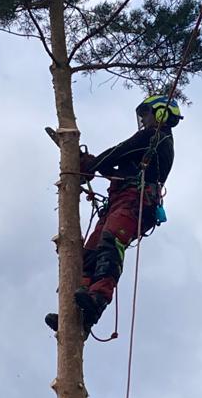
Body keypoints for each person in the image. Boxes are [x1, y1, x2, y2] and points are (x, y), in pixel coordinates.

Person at [45, 94, 182, 337]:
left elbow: (118, 152)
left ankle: (98, 299)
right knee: (89, 253)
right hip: (120, 201)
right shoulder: (147, 145)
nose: (143, 120)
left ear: (161, 113)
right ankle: (76, 317)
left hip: (135, 203)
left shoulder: (155, 137)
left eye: (146, 114)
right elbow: (116, 165)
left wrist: (91, 166)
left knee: (110, 243)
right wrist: (94, 164)